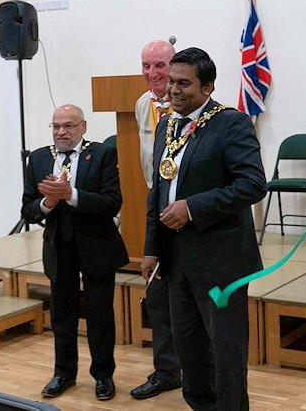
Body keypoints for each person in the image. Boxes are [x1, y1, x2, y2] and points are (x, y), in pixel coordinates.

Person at [142, 47, 267, 410]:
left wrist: (193, 208)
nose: (173, 91)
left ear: (208, 86)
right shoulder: (166, 124)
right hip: (176, 259)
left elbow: (253, 184)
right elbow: (159, 191)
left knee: (225, 352)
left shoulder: (231, 123)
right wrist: (152, 248)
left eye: (184, 83)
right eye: (170, 82)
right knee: (189, 349)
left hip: (220, 264)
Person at [21, 104, 129, 401]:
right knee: (62, 315)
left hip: (96, 246)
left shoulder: (103, 154)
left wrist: (72, 195)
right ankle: (64, 373)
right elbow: (28, 209)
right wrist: (48, 203)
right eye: (56, 126)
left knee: (99, 315)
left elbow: (112, 203)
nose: (61, 132)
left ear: (83, 127)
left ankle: (103, 375)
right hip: (59, 246)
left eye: (68, 126)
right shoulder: (40, 158)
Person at [130, 39, 182, 400]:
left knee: (193, 299)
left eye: (160, 66)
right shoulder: (141, 105)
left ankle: (201, 370)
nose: (153, 74)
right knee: (158, 295)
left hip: (189, 210)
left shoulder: (193, 105)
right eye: (147, 66)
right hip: (157, 206)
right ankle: (166, 371)